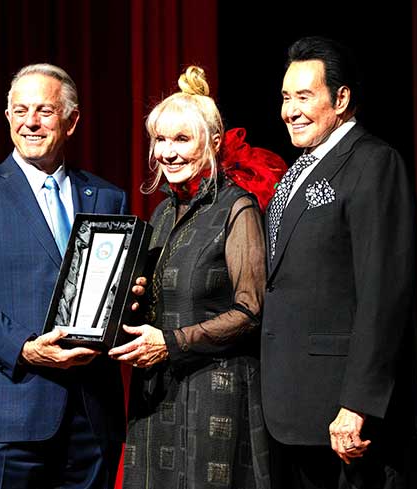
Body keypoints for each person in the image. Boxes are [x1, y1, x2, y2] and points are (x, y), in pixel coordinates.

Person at [0, 63, 130, 489]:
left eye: (44, 110)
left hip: (92, 417)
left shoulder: (108, 197)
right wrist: (25, 348)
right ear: (7, 118)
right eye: (20, 110)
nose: (31, 122)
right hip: (9, 413)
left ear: (72, 120)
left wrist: (128, 297)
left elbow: (114, 299)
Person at [260, 36, 417, 488]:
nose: (289, 110)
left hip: (345, 417)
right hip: (292, 407)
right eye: (284, 97)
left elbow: (384, 293)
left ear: (341, 98)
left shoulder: (373, 162)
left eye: (303, 97)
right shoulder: (299, 168)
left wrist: (358, 404)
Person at [108, 66, 286, 489]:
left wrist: (170, 343)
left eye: (182, 140)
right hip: (159, 393)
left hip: (218, 391)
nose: (167, 153)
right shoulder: (163, 212)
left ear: (214, 143)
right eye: (161, 140)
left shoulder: (236, 209)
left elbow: (251, 311)